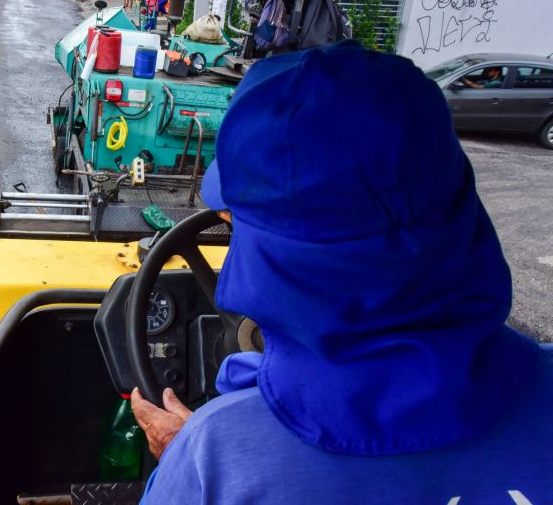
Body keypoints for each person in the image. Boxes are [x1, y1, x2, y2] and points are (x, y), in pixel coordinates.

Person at [131, 40, 553, 503]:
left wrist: (184, 459)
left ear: (278, 263)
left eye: (240, 229)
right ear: (460, 205)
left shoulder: (217, 456)